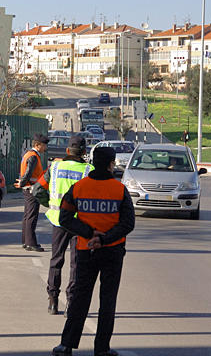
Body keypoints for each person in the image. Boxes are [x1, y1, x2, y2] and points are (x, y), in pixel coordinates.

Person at [51, 147, 135, 356]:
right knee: (108, 300)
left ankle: (66, 345)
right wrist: (104, 238)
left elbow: (65, 218)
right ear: (110, 164)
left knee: (80, 297)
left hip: (85, 249)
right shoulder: (119, 190)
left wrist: (89, 234)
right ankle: (102, 348)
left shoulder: (79, 188)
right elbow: (128, 223)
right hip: (112, 251)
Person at [42, 135, 94, 315]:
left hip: (58, 221)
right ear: (84, 153)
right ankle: (71, 303)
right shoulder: (89, 171)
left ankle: (52, 301)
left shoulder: (55, 167)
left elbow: (37, 189)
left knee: (56, 260)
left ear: (67, 151)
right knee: (76, 264)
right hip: (80, 224)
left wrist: (49, 203)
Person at [14, 133, 49, 252]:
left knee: (27, 216)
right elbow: (28, 173)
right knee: (31, 217)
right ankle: (30, 243)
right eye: (44, 146)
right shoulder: (33, 156)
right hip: (32, 189)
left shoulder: (29, 154)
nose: (46, 148)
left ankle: (26, 241)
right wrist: (23, 183)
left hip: (28, 188)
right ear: (38, 145)